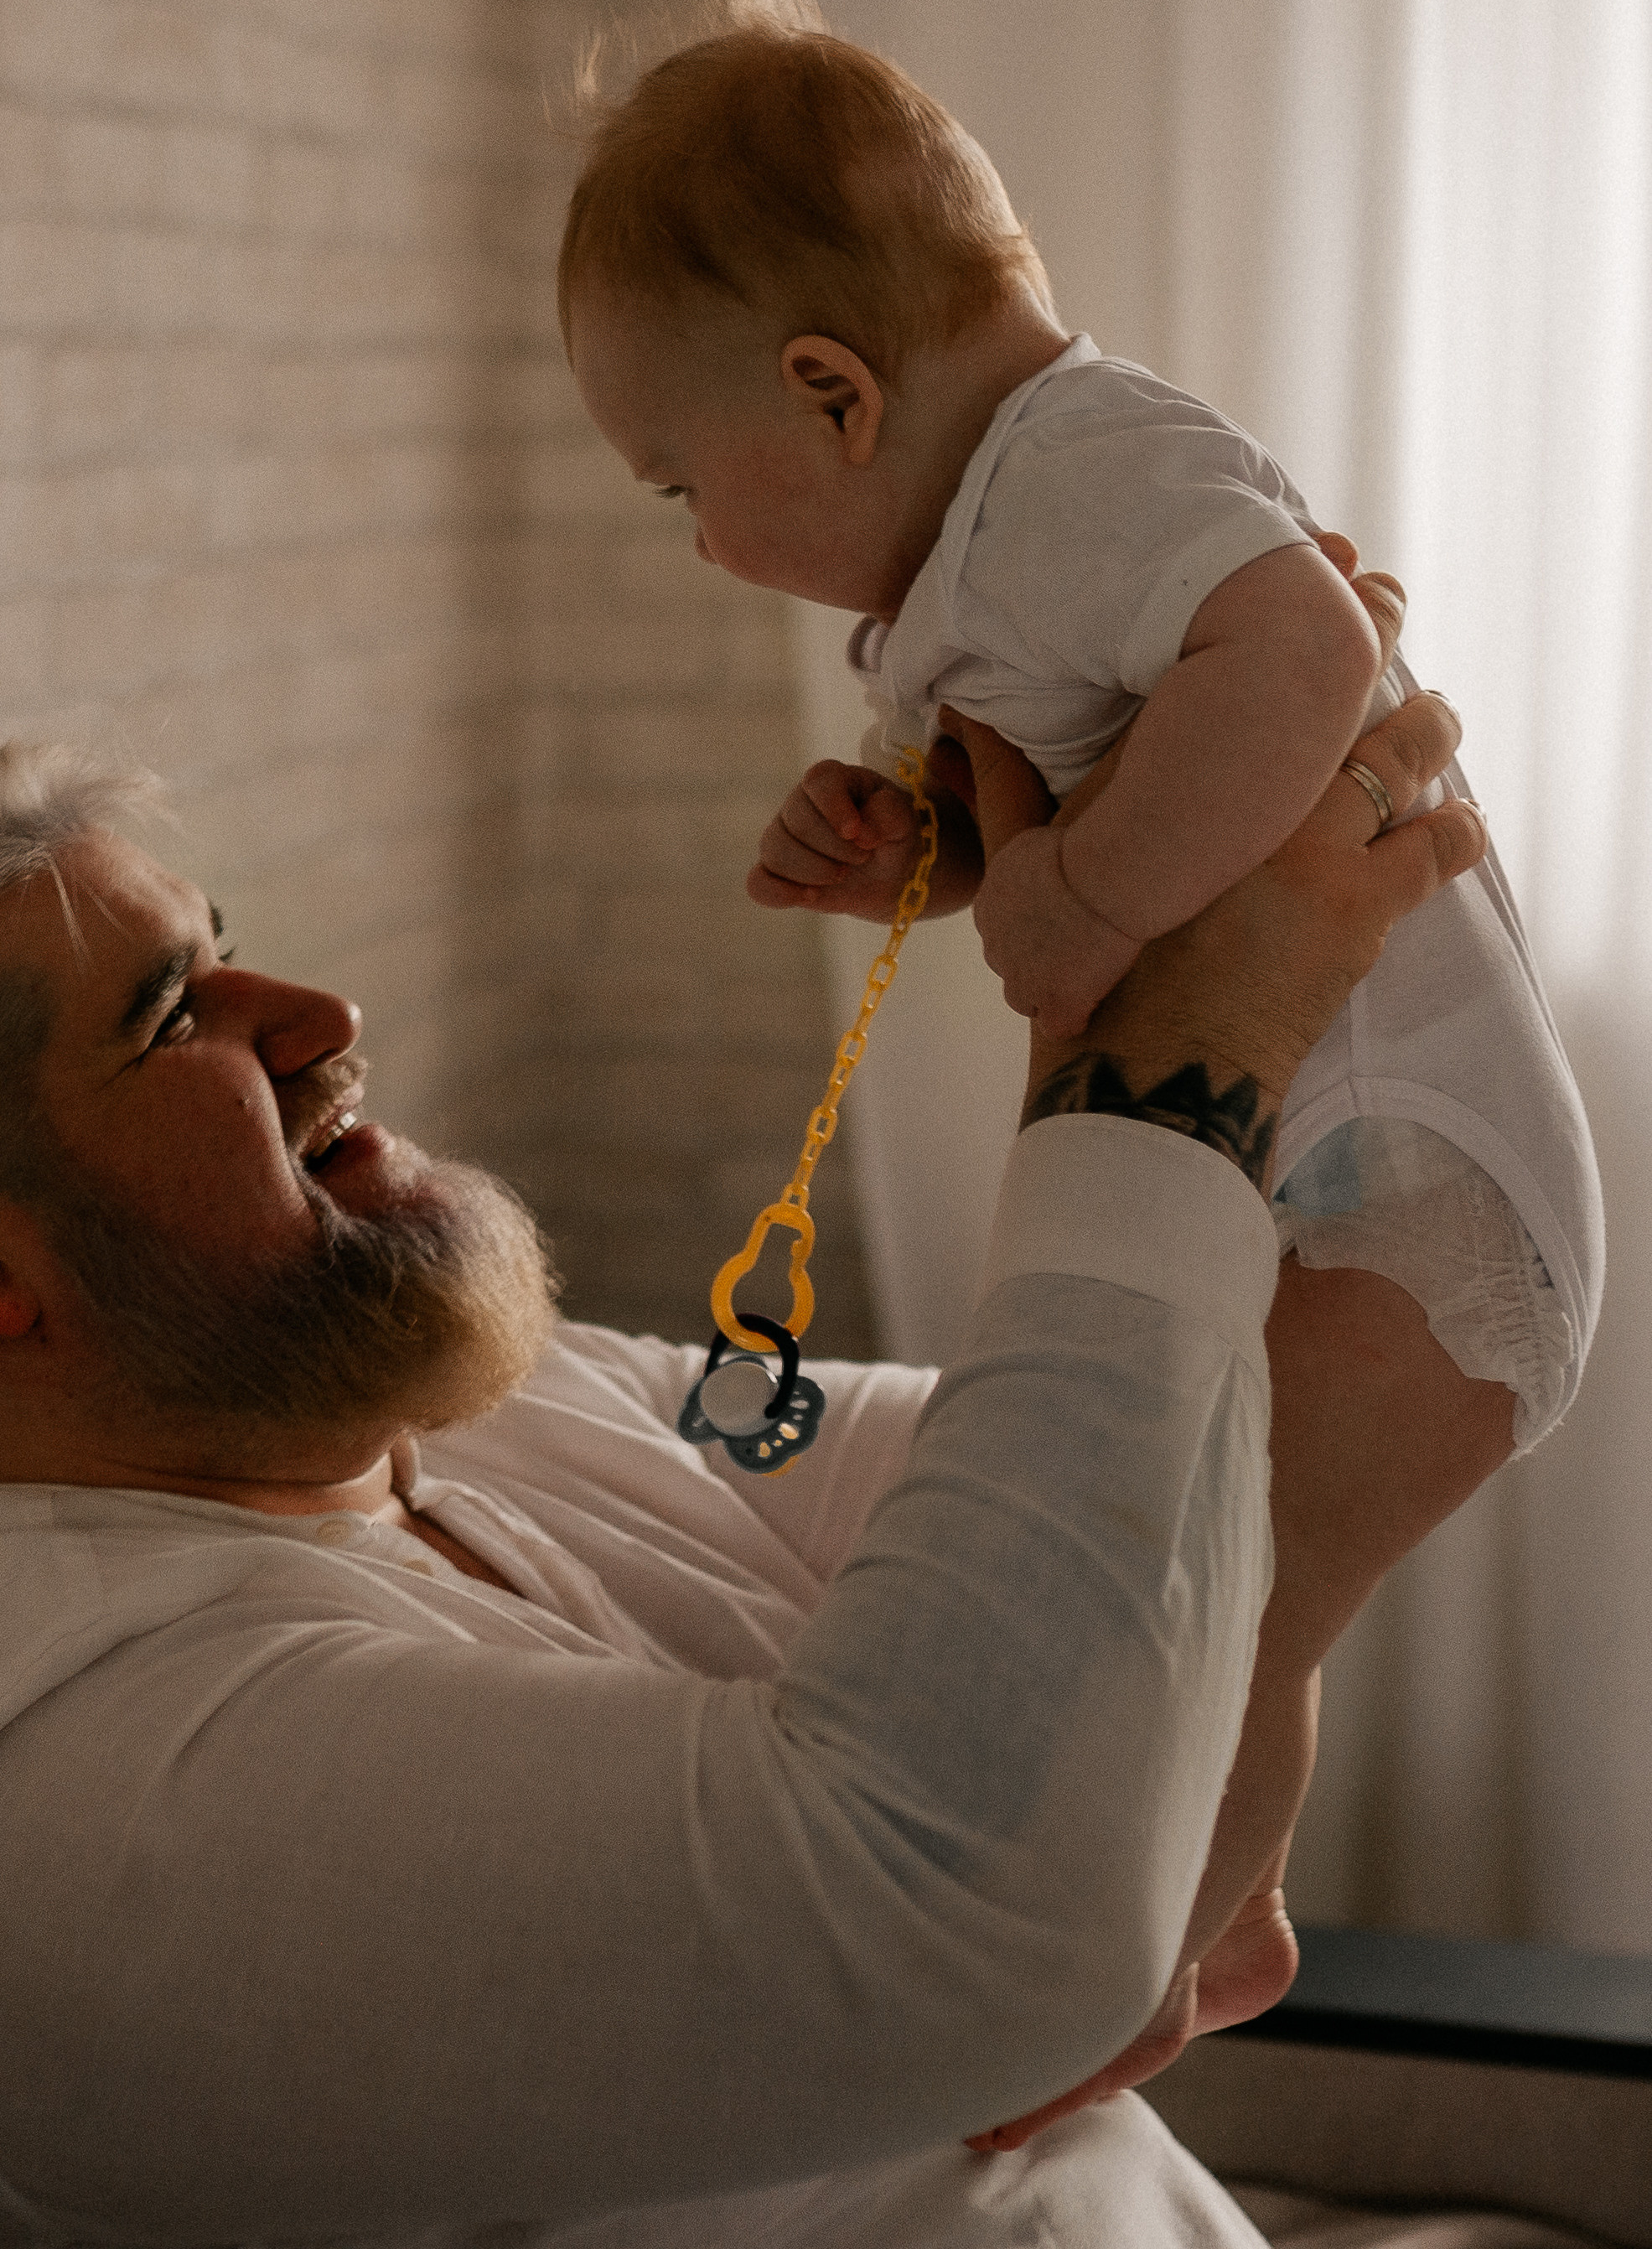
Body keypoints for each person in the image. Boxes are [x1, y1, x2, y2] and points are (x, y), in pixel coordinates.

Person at [0, 641, 1480, 2244]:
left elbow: (1217, 1464)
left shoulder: (485, 1407)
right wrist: (1160, 1059)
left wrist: (1172, 848)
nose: (320, 1015)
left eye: (229, 951)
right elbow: (963, 1894)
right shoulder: (95, 1792)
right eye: (168, 1022)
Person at [556, 0, 1605, 2101]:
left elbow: (1304, 660)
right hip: (1334, 1172)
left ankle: (1104, 1997)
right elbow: (1114, 810)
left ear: (834, 394)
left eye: (677, 482)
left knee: (1214, 1620)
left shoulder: (1074, 466)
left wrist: (1063, 893)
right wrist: (922, 861)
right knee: (1222, 1575)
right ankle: (1214, 1932)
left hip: (1431, 1200)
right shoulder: (973, 572)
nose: (686, 542)